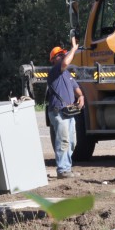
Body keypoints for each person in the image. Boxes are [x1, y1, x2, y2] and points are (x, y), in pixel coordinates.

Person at [46, 36, 84, 179]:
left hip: (67, 113)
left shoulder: (66, 74)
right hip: (58, 112)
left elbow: (76, 87)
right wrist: (74, 48)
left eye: (63, 54)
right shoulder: (56, 70)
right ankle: (63, 170)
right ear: (54, 59)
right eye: (60, 55)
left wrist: (81, 96)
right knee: (63, 141)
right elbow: (66, 62)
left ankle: (66, 168)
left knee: (72, 141)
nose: (63, 56)